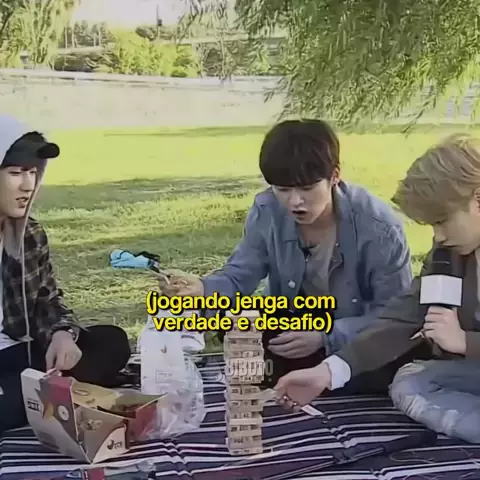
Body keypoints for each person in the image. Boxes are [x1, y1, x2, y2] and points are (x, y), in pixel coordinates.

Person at [158, 118, 416, 391]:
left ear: (334, 176)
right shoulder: (268, 209)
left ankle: (318, 374)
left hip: (353, 329)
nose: (294, 201)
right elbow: (240, 275)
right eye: (282, 189)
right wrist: (201, 288)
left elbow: (394, 317)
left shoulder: (379, 228)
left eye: (306, 189)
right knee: (238, 323)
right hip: (295, 319)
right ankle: (297, 373)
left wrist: (326, 336)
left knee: (383, 362)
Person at [274, 133, 480, 444]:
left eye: (442, 221)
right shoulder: (450, 253)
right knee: (409, 382)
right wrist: (327, 372)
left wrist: (466, 342)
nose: (437, 236)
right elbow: (403, 317)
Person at [0, 114, 131, 435]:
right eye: (15, 173)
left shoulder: (29, 235)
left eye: (33, 172)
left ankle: (37, 398)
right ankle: (46, 398)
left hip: (17, 352)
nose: (27, 185)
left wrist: (61, 334)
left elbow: (47, 301)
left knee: (111, 342)